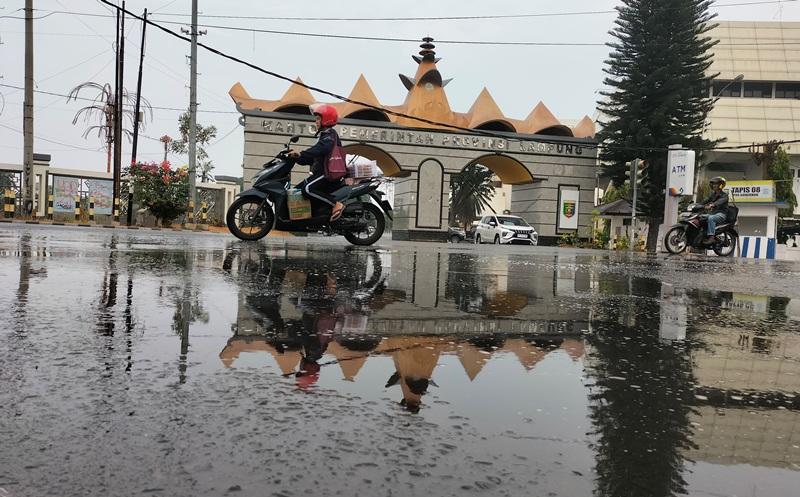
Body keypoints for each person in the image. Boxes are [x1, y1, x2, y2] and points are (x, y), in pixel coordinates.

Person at [287, 104, 345, 221]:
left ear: (327, 119)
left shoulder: (330, 135)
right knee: (297, 190)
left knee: (307, 189)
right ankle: (306, 218)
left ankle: (336, 204)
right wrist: (296, 157)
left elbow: (321, 149)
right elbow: (312, 158)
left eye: (318, 118)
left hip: (328, 174)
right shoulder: (324, 136)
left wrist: (301, 153)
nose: (316, 121)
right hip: (320, 173)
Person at [702, 176, 729, 244]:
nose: (714, 185)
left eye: (716, 184)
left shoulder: (724, 195)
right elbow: (705, 200)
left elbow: (719, 202)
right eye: (713, 184)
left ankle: (711, 237)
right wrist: (697, 205)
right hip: (713, 213)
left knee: (711, 218)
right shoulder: (713, 195)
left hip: (721, 214)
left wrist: (712, 205)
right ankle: (703, 235)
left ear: (720, 185)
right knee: (700, 217)